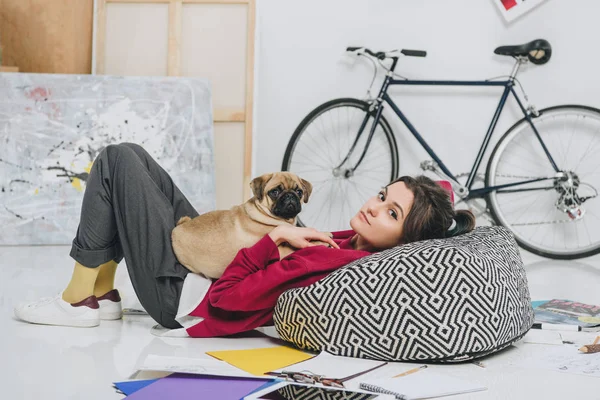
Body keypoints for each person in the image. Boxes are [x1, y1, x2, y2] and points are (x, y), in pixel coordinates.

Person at [14, 143, 475, 337]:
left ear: (402, 240)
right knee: (135, 158)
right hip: (200, 266)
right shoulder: (348, 241)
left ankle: (76, 300)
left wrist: (272, 241)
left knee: (116, 161)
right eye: (382, 195)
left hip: (182, 299)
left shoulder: (325, 260)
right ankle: (104, 293)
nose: (374, 206)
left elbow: (230, 300)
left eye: (391, 213)